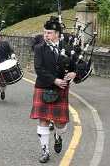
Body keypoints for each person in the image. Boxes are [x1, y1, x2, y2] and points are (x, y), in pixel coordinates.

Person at [30, 18, 76, 163]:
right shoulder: (39, 48)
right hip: (43, 86)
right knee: (43, 121)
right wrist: (54, 80)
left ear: (57, 34)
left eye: (49, 33)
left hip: (61, 90)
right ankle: (45, 151)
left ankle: (58, 135)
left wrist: (74, 73)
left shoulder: (68, 48)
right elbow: (39, 68)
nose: (46, 35)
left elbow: (77, 66)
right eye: (44, 32)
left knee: (60, 124)